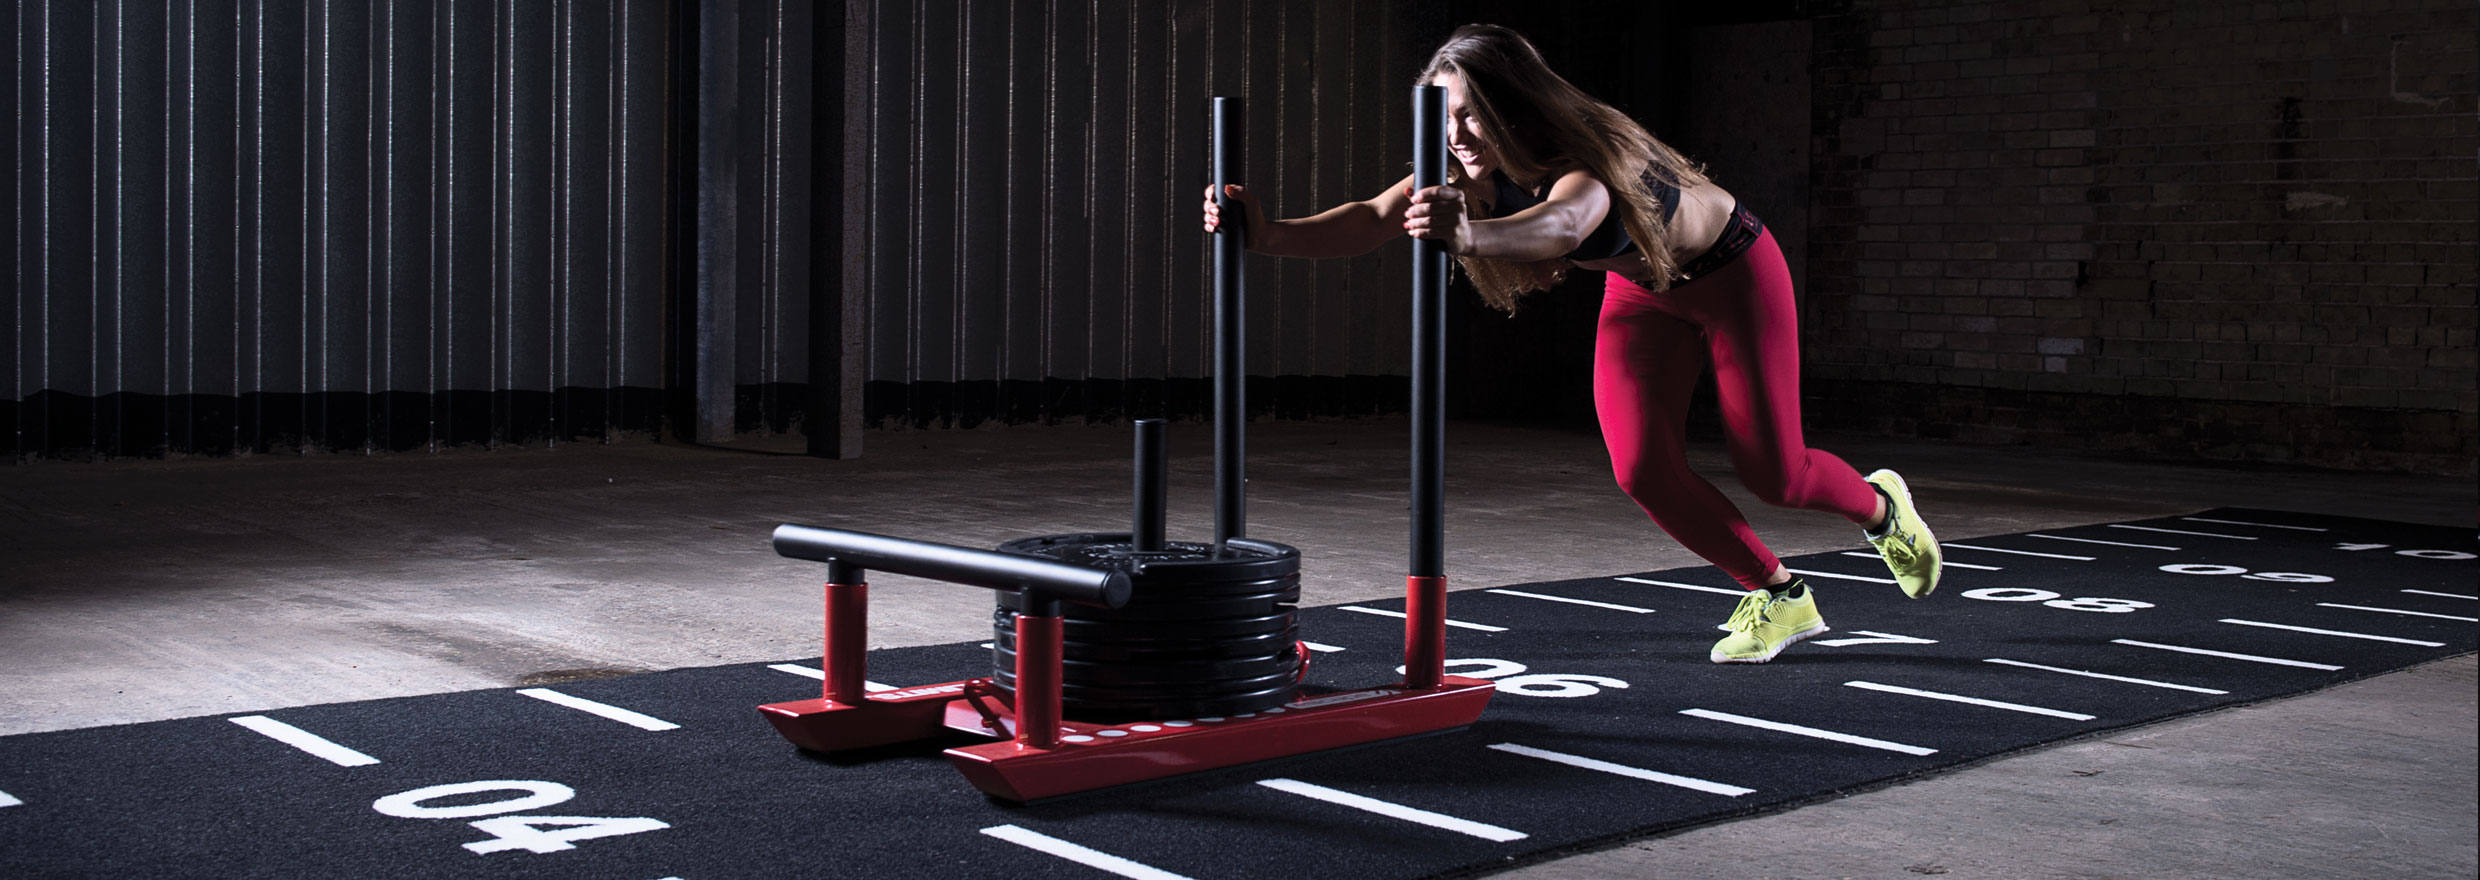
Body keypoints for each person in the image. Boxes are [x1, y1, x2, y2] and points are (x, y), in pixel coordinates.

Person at [1200, 23, 1943, 664]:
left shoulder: (1588, 155)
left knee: (1776, 474)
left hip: (1734, 273)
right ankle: (1780, 595)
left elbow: (1561, 226)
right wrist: (1266, 234)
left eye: (1472, 115)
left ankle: (1881, 510)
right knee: (1642, 468)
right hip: (1641, 293)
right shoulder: (1464, 166)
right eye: (1445, 118)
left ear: (1514, 105)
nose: (1457, 135)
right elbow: (1371, 217)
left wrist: (1470, 235)